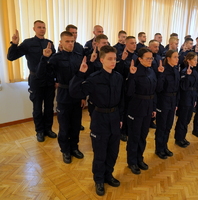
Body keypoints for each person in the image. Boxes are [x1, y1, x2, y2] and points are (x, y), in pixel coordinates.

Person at [69, 46, 124, 196]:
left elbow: (122, 100)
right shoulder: (94, 78)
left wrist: (121, 118)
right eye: (109, 59)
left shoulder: (118, 77)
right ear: (101, 60)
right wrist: (81, 73)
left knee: (113, 151)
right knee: (100, 153)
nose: (113, 61)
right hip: (100, 118)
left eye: (114, 58)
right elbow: (74, 92)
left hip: (115, 117)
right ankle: (99, 180)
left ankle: (108, 175)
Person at [37, 31, 84, 164]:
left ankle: (74, 148)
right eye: (67, 41)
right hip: (63, 96)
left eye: (72, 41)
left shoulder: (79, 57)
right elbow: (41, 74)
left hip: (77, 95)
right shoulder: (55, 58)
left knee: (75, 125)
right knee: (64, 127)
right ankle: (65, 151)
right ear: (61, 43)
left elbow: (82, 78)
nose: (70, 44)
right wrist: (44, 58)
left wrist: (82, 96)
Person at [7, 20, 57, 142]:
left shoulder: (49, 43)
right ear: (34, 29)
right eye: (39, 27)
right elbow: (11, 57)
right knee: (37, 108)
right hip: (36, 80)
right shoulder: (28, 43)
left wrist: (56, 79)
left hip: (49, 80)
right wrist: (14, 44)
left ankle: (48, 129)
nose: (42, 29)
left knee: (50, 107)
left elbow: (54, 63)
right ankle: (39, 131)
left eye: (44, 27)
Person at [126, 48, 159, 175]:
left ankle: (140, 158)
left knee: (143, 135)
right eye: (147, 58)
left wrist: (154, 108)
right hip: (136, 107)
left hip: (148, 107)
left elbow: (154, 91)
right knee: (134, 136)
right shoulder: (135, 71)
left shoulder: (151, 71)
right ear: (139, 59)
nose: (150, 60)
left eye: (151, 58)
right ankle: (132, 161)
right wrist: (132, 76)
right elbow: (129, 92)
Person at [155, 50, 180, 159]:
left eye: (177, 57)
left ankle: (164, 146)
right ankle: (159, 149)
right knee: (161, 126)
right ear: (168, 58)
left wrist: (176, 103)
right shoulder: (163, 70)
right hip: (163, 101)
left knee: (168, 126)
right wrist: (160, 74)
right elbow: (158, 88)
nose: (177, 59)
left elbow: (177, 88)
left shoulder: (176, 70)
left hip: (172, 100)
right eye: (175, 57)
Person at [115, 36, 138, 142]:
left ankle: (129, 129)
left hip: (133, 87)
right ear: (126, 44)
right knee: (123, 110)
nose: (134, 45)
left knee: (131, 109)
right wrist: (122, 60)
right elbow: (117, 72)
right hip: (123, 87)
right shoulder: (120, 56)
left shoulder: (137, 57)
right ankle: (122, 131)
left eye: (135, 43)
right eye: (132, 43)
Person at [174, 52, 198, 147]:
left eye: (197, 60)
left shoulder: (195, 71)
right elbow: (183, 87)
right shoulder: (184, 72)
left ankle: (183, 137)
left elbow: (196, 86)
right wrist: (187, 76)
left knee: (187, 119)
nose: (196, 61)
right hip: (185, 99)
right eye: (194, 60)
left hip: (192, 98)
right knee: (182, 119)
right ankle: (178, 138)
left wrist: (195, 99)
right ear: (188, 60)